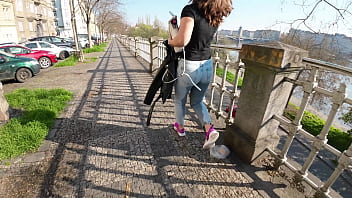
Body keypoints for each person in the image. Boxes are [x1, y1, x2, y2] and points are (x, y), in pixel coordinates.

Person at [168, 0, 233, 149]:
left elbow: (183, 40)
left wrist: (170, 41)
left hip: (189, 65)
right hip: (207, 66)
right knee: (197, 101)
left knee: (179, 100)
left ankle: (180, 128)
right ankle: (209, 129)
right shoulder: (215, 14)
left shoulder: (190, 10)